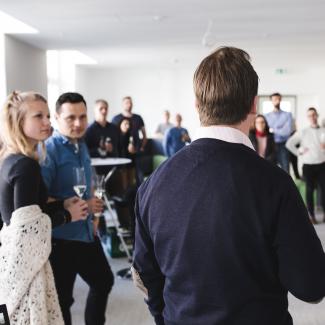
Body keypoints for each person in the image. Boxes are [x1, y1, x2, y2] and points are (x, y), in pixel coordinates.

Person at [132, 47, 325, 325]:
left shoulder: (153, 184)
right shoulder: (275, 183)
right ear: (253, 105)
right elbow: (311, 286)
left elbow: (146, 275)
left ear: (197, 105)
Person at [0, 91, 87, 324]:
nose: (48, 122)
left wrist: (60, 203)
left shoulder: (10, 158)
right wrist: (69, 215)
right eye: (39, 116)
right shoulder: (26, 165)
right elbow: (28, 229)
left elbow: (29, 211)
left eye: (48, 115)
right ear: (19, 121)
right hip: (24, 263)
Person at [41, 92, 114, 325]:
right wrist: (72, 203)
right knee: (63, 301)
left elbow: (86, 185)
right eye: (71, 118)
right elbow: (38, 201)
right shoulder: (48, 151)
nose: (78, 123)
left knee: (103, 281)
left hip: (85, 234)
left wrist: (93, 211)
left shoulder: (80, 145)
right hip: (61, 240)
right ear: (56, 118)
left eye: (82, 117)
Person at [286, 107, 325, 224]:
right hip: (308, 165)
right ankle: (311, 215)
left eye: (314, 115)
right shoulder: (303, 132)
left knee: (324, 190)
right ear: (308, 118)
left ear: (317, 115)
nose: (312, 117)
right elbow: (289, 144)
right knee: (309, 190)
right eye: (309, 115)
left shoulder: (323, 130)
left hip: (322, 164)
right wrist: (299, 151)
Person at [265, 93, 292, 172]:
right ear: (271, 101)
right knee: (269, 171)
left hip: (283, 145)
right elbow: (266, 131)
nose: (277, 101)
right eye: (275, 99)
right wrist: (280, 127)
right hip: (270, 145)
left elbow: (286, 131)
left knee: (285, 170)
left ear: (281, 100)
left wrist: (273, 129)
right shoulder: (266, 116)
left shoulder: (287, 115)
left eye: (279, 99)